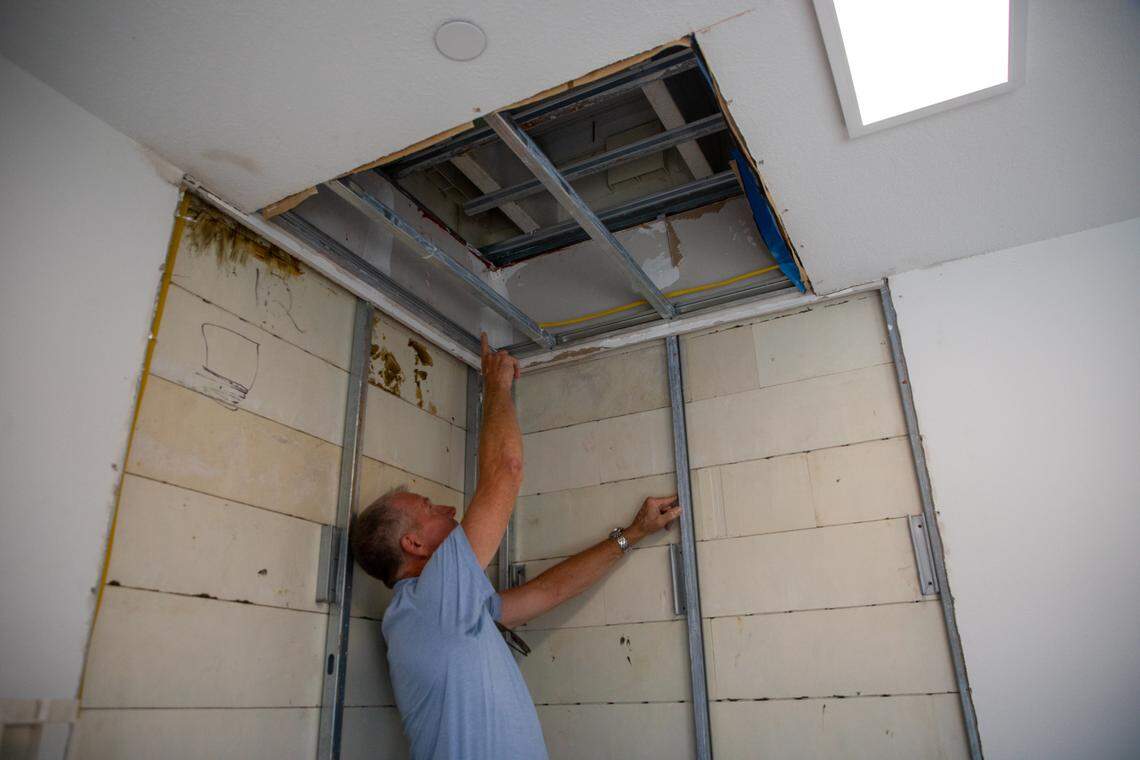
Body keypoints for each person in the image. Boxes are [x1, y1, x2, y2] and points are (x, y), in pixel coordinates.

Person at [350, 333, 681, 760]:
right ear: (412, 543)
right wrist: (497, 385)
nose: (449, 508)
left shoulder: (443, 610)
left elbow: (549, 592)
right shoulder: (429, 604)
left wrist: (633, 533)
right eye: (429, 508)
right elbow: (506, 471)